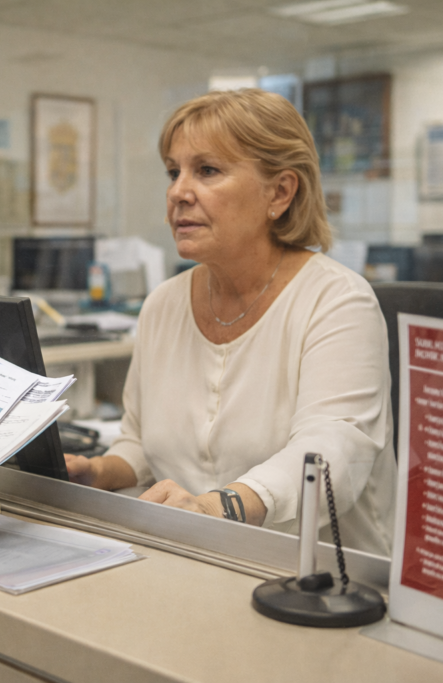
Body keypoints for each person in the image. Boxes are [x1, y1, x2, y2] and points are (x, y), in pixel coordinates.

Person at [65, 89, 395, 556]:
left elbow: (329, 458)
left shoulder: (337, 301)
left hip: (323, 581)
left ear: (279, 192)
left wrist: (217, 510)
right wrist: (99, 472)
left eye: (207, 170)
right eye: (173, 171)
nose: (179, 191)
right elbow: (142, 445)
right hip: (196, 560)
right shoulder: (163, 304)